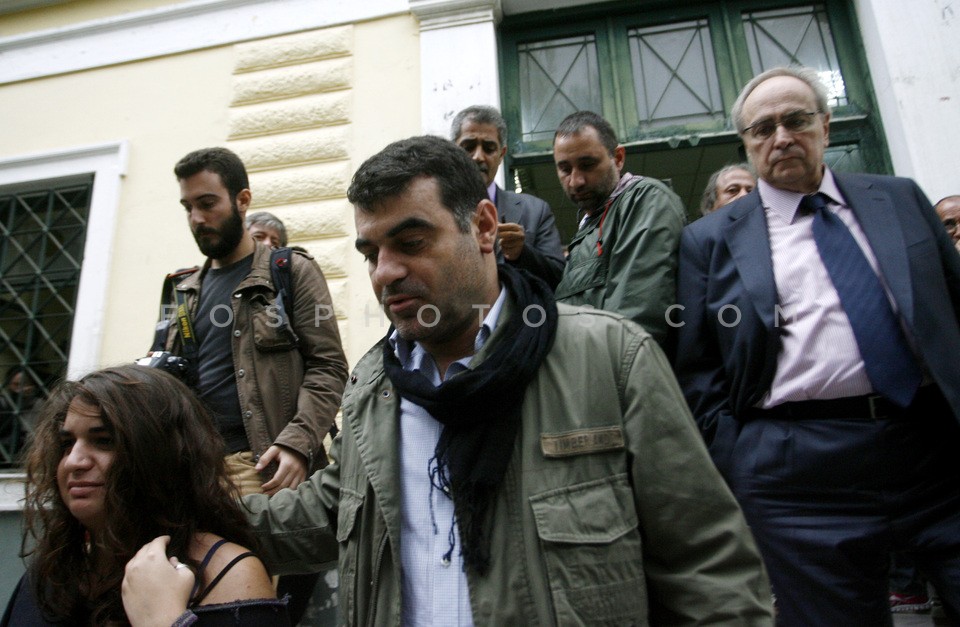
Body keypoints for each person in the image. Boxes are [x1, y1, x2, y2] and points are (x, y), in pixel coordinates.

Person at [241, 134, 773, 625]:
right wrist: (203, 515)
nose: (385, 272)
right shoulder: (372, 387)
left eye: (412, 242)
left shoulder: (611, 360)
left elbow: (710, 574)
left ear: (484, 227)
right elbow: (332, 509)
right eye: (371, 253)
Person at [673, 66, 960, 626]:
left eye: (796, 121)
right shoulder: (708, 240)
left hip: (934, 450)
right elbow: (697, 365)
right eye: (763, 129)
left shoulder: (899, 198)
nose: (781, 137)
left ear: (825, 127)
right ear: (747, 143)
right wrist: (739, 459)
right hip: (798, 478)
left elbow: (953, 306)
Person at [2, 365, 287, 626]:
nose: (74, 461)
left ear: (161, 454)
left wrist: (166, 620)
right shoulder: (54, 570)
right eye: (67, 443)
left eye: (104, 441)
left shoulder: (229, 575)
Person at [158, 147, 348, 497]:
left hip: (265, 470)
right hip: (192, 474)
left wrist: (298, 441)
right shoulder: (182, 291)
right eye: (188, 208)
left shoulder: (290, 271)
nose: (197, 218)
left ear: (242, 200)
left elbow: (329, 366)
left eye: (207, 204)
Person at [552, 110, 686, 349]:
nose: (575, 181)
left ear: (618, 158)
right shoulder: (590, 224)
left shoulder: (645, 200)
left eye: (587, 165)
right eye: (565, 169)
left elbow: (634, 324)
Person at [450, 105, 566, 288]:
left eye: (489, 148)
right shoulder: (435, 211)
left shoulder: (535, 211)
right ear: (453, 151)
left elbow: (559, 279)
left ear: (501, 154)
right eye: (468, 147)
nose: (478, 156)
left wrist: (522, 253)